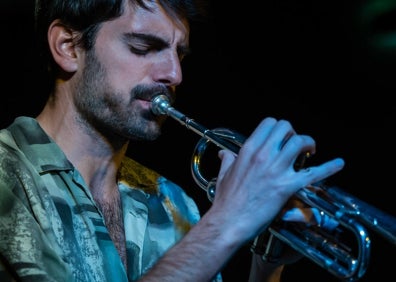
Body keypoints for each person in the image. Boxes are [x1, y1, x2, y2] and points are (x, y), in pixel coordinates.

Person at [0, 0, 345, 281]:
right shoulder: (7, 176)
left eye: (179, 54)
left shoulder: (175, 204)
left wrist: (267, 265)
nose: (174, 75)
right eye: (144, 47)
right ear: (68, 47)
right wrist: (226, 222)